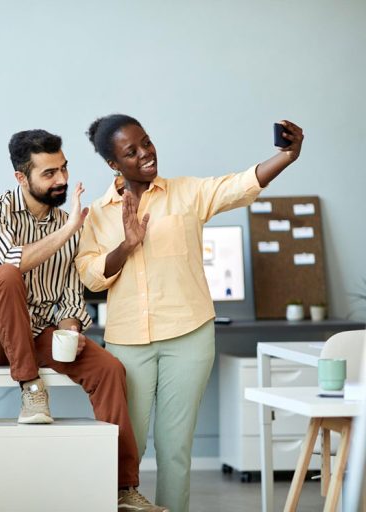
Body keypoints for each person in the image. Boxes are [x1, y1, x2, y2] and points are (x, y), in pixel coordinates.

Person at [75, 115, 304, 512]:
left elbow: (238, 186)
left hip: (189, 336)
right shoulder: (97, 214)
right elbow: (91, 276)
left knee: (175, 447)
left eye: (147, 142)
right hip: (128, 342)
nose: (146, 153)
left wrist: (286, 156)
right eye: (131, 152)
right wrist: (126, 246)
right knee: (127, 445)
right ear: (114, 164)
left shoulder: (186, 193)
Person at [0, 129, 165, 511]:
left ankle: (123, 488)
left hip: (32, 331)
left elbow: (69, 297)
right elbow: (12, 261)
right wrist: (68, 230)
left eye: (63, 169)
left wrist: (70, 329)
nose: (62, 179)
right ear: (21, 177)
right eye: (49, 173)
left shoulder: (68, 223)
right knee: (6, 275)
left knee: (108, 369)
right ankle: (30, 386)